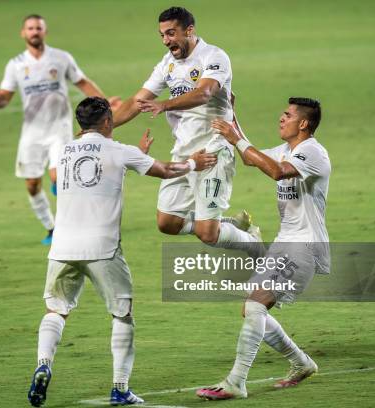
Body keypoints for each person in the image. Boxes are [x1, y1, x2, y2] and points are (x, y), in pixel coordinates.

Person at [27, 97, 217, 407]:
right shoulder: (118, 150)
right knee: (122, 314)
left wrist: (133, 157)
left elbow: (89, 172)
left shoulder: (62, 151)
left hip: (62, 246)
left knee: (56, 310)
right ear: (105, 122)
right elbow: (168, 169)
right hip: (102, 247)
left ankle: (43, 364)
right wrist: (195, 162)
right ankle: (120, 388)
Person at [196, 97, 330, 400]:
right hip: (286, 242)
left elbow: (278, 172)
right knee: (251, 309)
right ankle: (301, 362)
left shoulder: (313, 152)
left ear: (304, 123)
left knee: (256, 306)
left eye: (287, 115)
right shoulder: (286, 149)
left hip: (304, 245)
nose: (281, 118)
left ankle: (236, 381)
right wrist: (232, 118)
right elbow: (250, 157)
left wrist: (236, 138)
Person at [112, 6, 262, 257]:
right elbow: (136, 101)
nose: (166, 41)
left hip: (214, 149)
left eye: (171, 33)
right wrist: (100, 128)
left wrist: (164, 104)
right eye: (162, 35)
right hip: (184, 151)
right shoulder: (167, 65)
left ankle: (253, 244)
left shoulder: (213, 56)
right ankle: (229, 225)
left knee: (207, 234)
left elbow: (205, 92)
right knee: (167, 223)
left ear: (189, 30)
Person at [0, 14, 118, 245]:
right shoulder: (16, 64)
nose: (34, 32)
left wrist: (105, 102)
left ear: (44, 32)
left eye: (38, 28)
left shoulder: (61, 58)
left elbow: (83, 82)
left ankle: (73, 224)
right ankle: (51, 226)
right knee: (32, 185)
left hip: (59, 128)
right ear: (23, 33)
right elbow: (5, 97)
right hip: (32, 132)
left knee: (58, 177)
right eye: (30, 28)